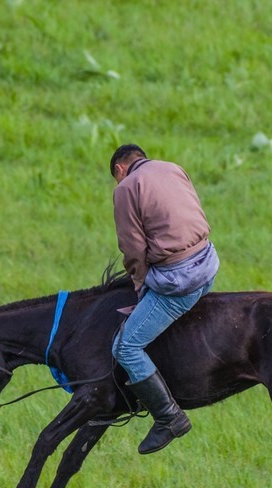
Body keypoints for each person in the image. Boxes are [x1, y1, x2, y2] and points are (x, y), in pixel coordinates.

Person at [109, 144, 220, 454]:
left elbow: (132, 248)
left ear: (120, 170)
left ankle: (169, 418)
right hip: (208, 264)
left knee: (126, 346)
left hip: (179, 281)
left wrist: (140, 283)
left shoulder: (127, 187)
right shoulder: (172, 166)